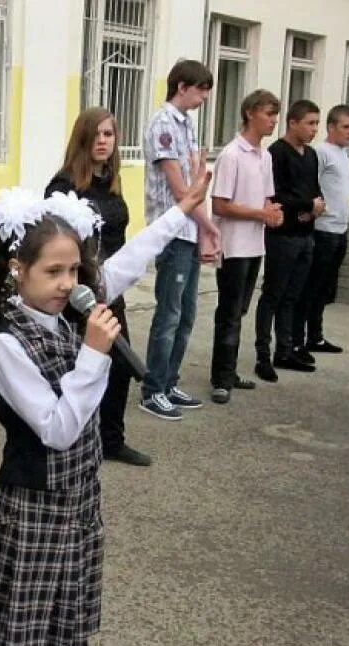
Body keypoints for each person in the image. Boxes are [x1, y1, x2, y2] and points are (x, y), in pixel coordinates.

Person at [0, 168, 210, 646]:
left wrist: (181, 210)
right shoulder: (8, 341)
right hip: (30, 507)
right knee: (14, 634)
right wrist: (95, 355)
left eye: (74, 269)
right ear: (16, 271)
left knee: (52, 625)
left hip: (76, 505)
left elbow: (130, 258)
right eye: (53, 271)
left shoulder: (71, 310)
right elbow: (56, 427)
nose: (68, 283)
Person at [45, 107, 150, 466]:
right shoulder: (64, 186)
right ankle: (76, 440)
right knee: (81, 367)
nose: (103, 141)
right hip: (77, 293)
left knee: (120, 365)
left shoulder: (112, 181)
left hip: (111, 290)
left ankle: (112, 440)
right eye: (97, 134)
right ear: (83, 139)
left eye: (109, 134)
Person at [138, 60, 220, 422]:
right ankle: (152, 389)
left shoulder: (187, 125)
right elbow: (180, 190)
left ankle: (169, 381)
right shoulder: (163, 124)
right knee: (169, 314)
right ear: (183, 86)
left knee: (186, 314)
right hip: (172, 230)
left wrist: (201, 224)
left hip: (187, 229)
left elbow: (198, 181)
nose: (204, 96)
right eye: (201, 89)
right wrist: (209, 226)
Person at [209, 90, 283, 405]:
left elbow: (265, 197)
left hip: (255, 245)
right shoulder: (231, 154)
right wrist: (259, 213)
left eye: (275, 115)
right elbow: (220, 205)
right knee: (229, 312)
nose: (273, 121)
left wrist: (272, 214)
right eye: (268, 114)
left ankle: (230, 371)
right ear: (250, 112)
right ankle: (220, 379)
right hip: (233, 245)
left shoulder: (265, 156)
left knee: (240, 310)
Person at [253, 99, 324, 382]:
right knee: (273, 294)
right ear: (293, 123)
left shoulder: (311, 155)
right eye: (310, 123)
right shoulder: (276, 154)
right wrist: (307, 205)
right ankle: (263, 354)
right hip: (283, 236)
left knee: (293, 296)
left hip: (306, 235)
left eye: (317, 123)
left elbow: (316, 191)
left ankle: (286, 349)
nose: (314, 129)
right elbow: (276, 194)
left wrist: (317, 206)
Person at [293, 104, 349, 357]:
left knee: (324, 289)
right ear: (331, 127)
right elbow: (310, 184)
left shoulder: (343, 154)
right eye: (346, 127)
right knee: (310, 288)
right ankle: (298, 339)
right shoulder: (321, 152)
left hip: (340, 230)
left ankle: (315, 337)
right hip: (323, 230)